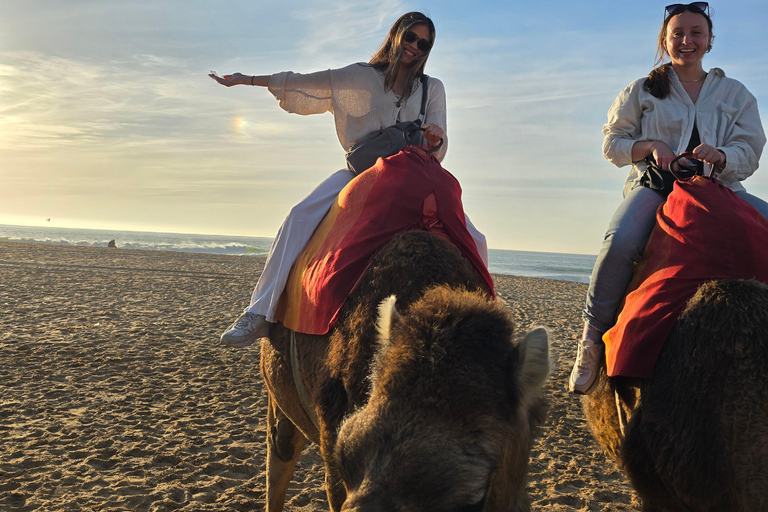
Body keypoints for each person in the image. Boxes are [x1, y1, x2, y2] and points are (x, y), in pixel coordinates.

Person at [210, 12, 489, 348]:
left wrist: (435, 141)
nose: (415, 47)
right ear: (396, 35)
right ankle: (260, 313)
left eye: (424, 43)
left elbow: (439, 149)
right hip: (363, 174)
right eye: (411, 37)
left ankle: (483, 326)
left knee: (477, 239)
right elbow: (305, 82)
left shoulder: (432, 88)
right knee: (300, 215)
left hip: (413, 178)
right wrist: (247, 79)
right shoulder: (360, 77)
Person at [569, 2, 768, 394]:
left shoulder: (735, 92)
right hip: (656, 187)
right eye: (678, 33)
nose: (686, 40)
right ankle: (591, 340)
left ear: (710, 41)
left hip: (721, 188)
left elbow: (751, 148)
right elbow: (612, 142)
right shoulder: (642, 89)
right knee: (621, 241)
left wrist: (723, 155)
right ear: (665, 40)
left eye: (696, 32)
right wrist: (651, 145)